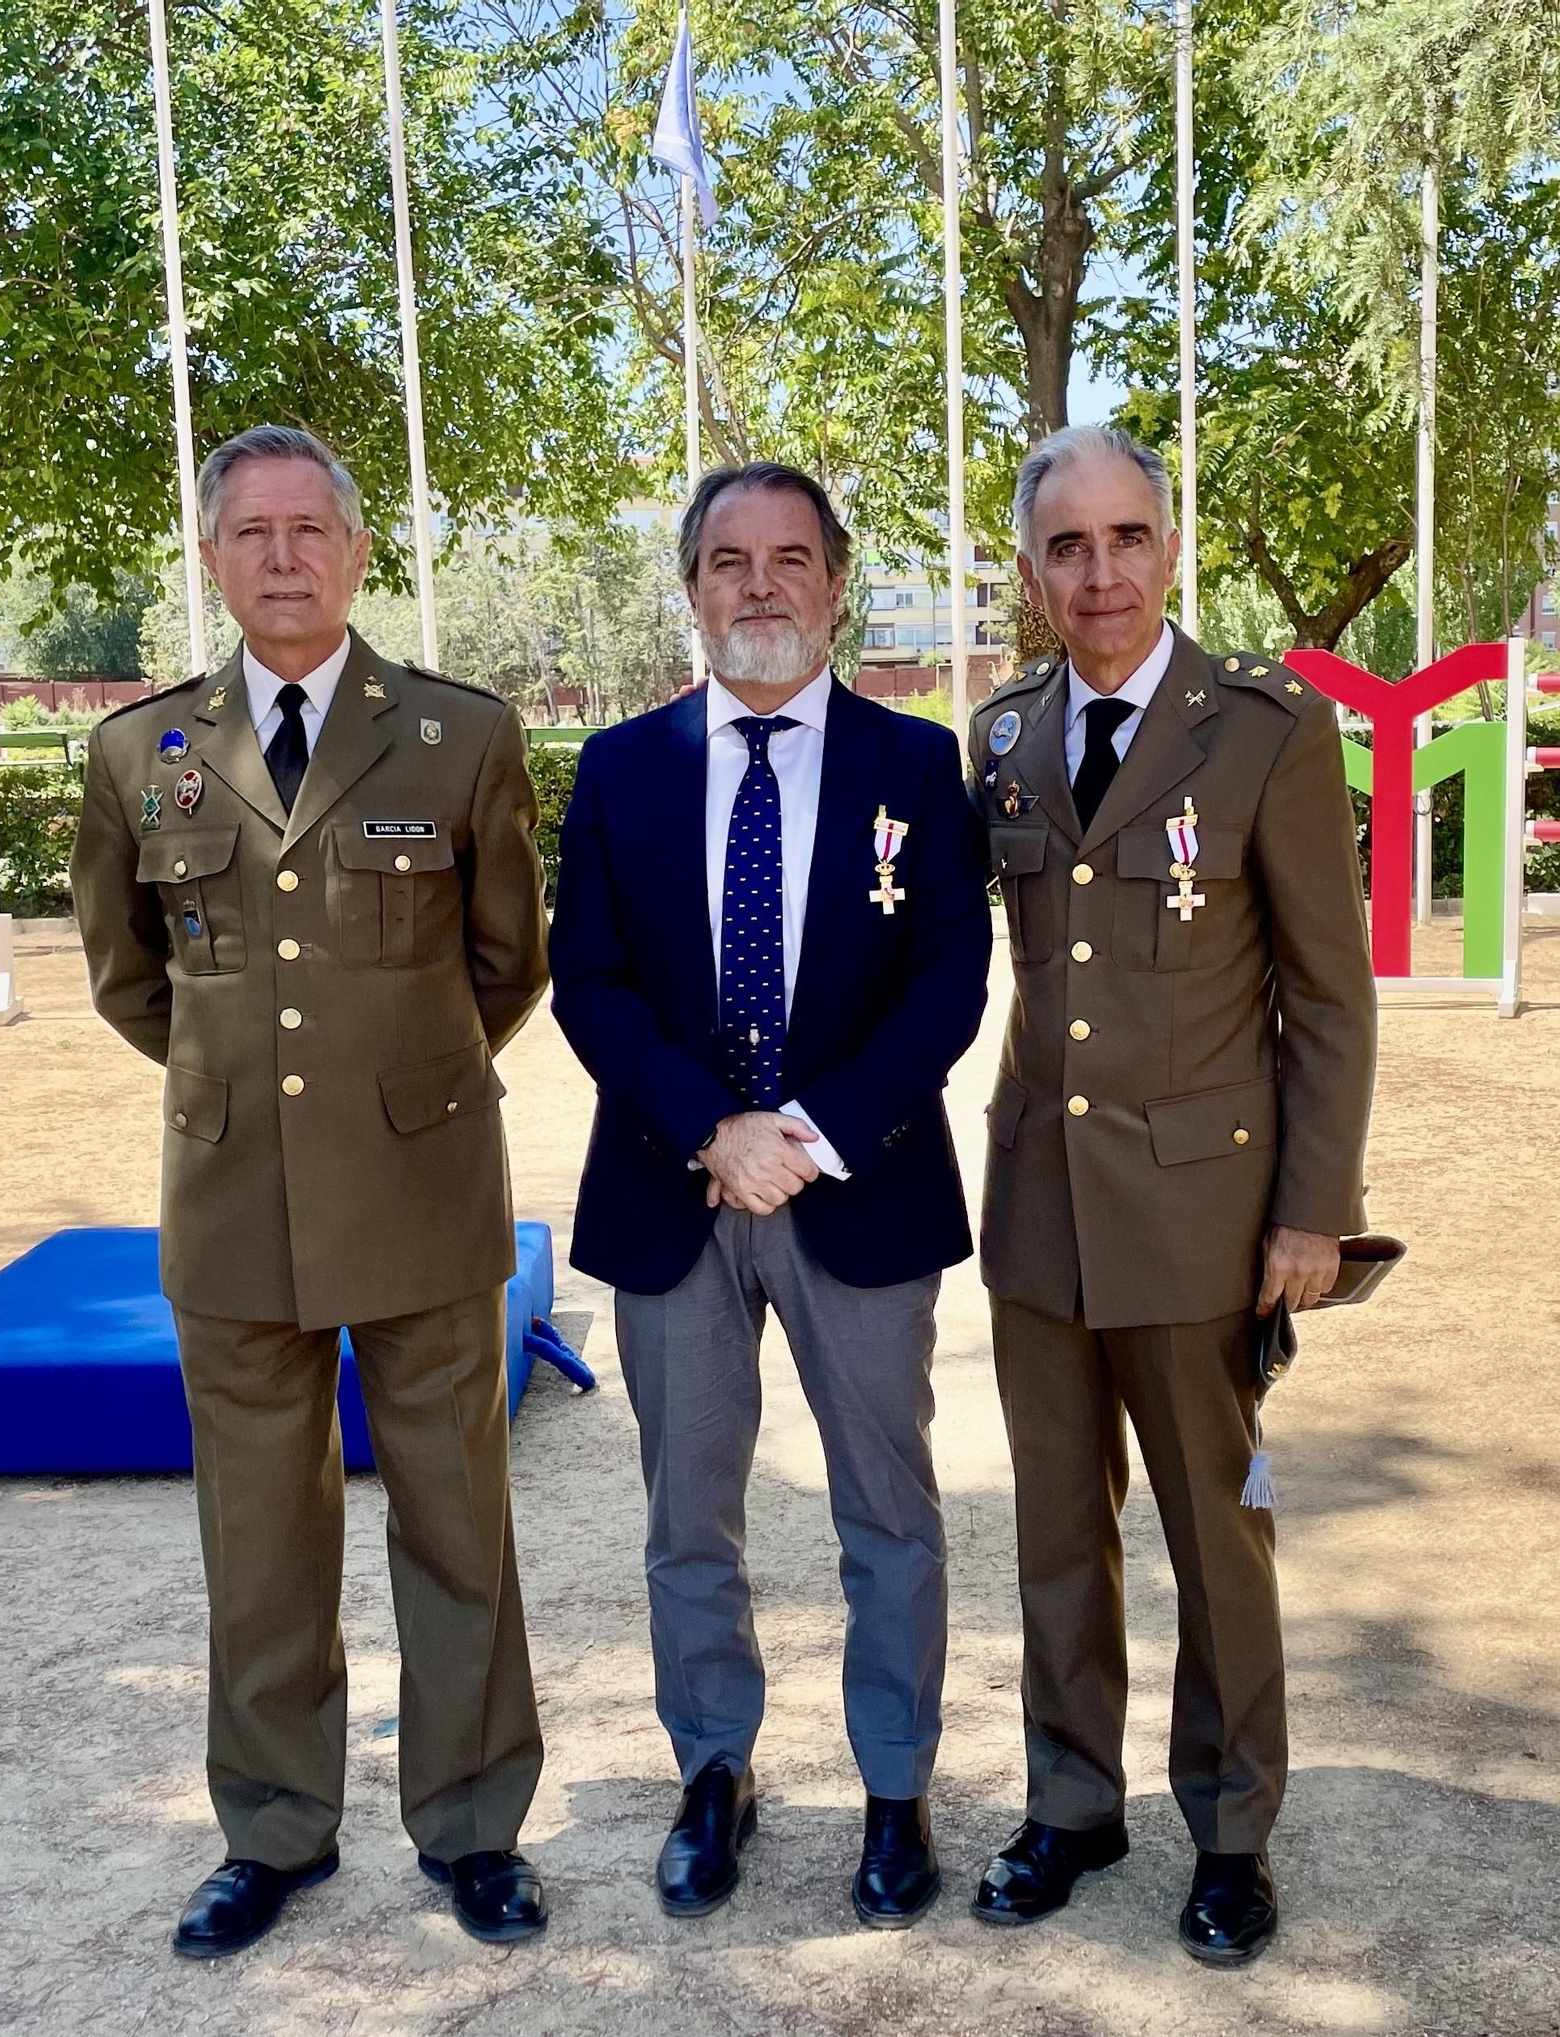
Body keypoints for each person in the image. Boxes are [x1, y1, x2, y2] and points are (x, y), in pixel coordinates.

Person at [70, 425, 550, 1958]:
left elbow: (507, 960)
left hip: (421, 1186)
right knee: (260, 1538)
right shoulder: (138, 750)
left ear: (357, 553)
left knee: (456, 1522)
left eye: (310, 531)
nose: (282, 557)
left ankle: (473, 1824)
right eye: (252, 533)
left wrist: (389, 1086)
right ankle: (274, 1829)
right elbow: (128, 978)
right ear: (211, 559)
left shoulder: (456, 737)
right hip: (231, 1203)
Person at [549, 462, 992, 1928]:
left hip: (853, 1190)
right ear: (690, 589)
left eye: (789, 557)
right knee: (690, 1512)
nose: (759, 584)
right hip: (675, 1195)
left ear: (835, 583)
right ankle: (714, 1773)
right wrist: (712, 1130)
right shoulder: (619, 767)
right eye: (728, 560)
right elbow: (591, 984)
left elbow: (948, 983)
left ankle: (895, 1785)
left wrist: (800, 1128)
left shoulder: (916, 766)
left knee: (889, 1512)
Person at [966, 426, 1376, 1964]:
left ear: (1170, 546)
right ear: (1033, 567)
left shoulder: (1262, 729)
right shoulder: (1000, 739)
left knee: (1218, 1537)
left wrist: (1312, 1211)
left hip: (1203, 1221)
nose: (1101, 573)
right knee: (1059, 1534)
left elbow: (1329, 998)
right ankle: (1071, 1802)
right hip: (1038, 1216)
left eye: (1127, 537)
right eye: (1067, 547)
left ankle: (1231, 1826)